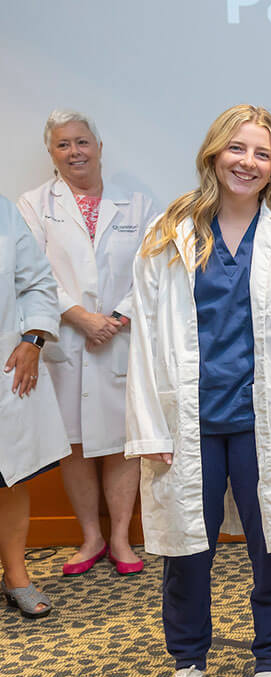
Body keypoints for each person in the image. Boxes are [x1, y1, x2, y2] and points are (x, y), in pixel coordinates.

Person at [126, 104, 271, 677]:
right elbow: (144, 337)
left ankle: (270, 670)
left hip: (265, 422)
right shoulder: (171, 231)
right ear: (214, 153)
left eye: (261, 153)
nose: (248, 162)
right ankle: (188, 668)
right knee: (188, 551)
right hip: (188, 422)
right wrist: (148, 428)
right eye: (236, 149)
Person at [17, 109, 157, 576]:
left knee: (121, 441)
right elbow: (31, 271)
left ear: (98, 146)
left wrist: (116, 318)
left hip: (121, 338)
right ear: (51, 154)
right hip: (65, 341)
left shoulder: (137, 205)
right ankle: (90, 537)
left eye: (81, 142)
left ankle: (120, 538)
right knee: (72, 442)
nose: (74, 152)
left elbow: (154, 269)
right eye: (62, 145)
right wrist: (80, 317)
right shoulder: (34, 204)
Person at [0, 194, 70, 619]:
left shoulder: (3, 211)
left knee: (8, 478)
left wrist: (33, 339)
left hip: (5, 365)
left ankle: (16, 575)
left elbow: (38, 282)